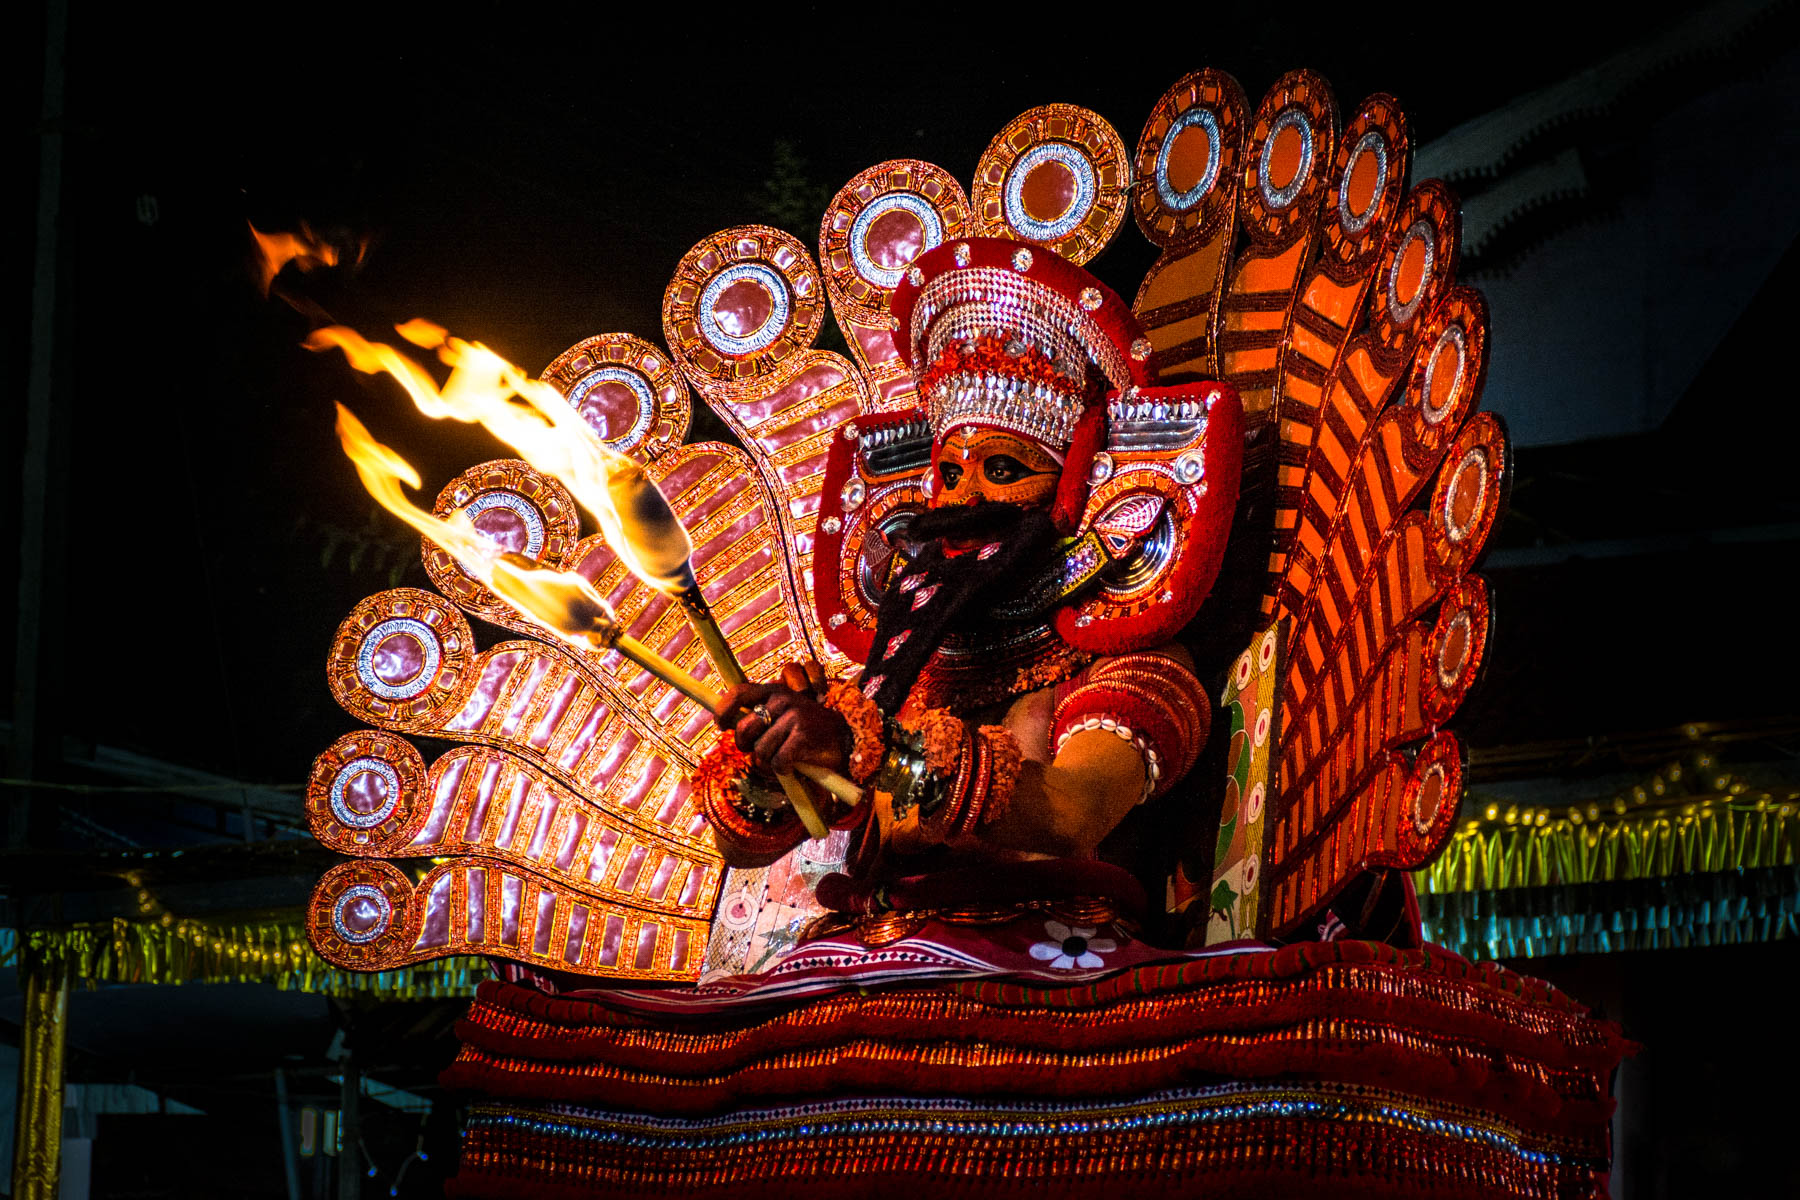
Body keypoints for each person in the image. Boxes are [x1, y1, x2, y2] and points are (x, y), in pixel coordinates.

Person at [693, 236, 1221, 935]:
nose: (965, 501)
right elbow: (751, 842)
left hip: (1042, 966)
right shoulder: (900, 682)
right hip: (876, 951)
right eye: (949, 475)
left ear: (1076, 494)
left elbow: (1068, 814)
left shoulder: (1132, 665)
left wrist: (860, 747)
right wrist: (773, 759)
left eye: (1004, 471)